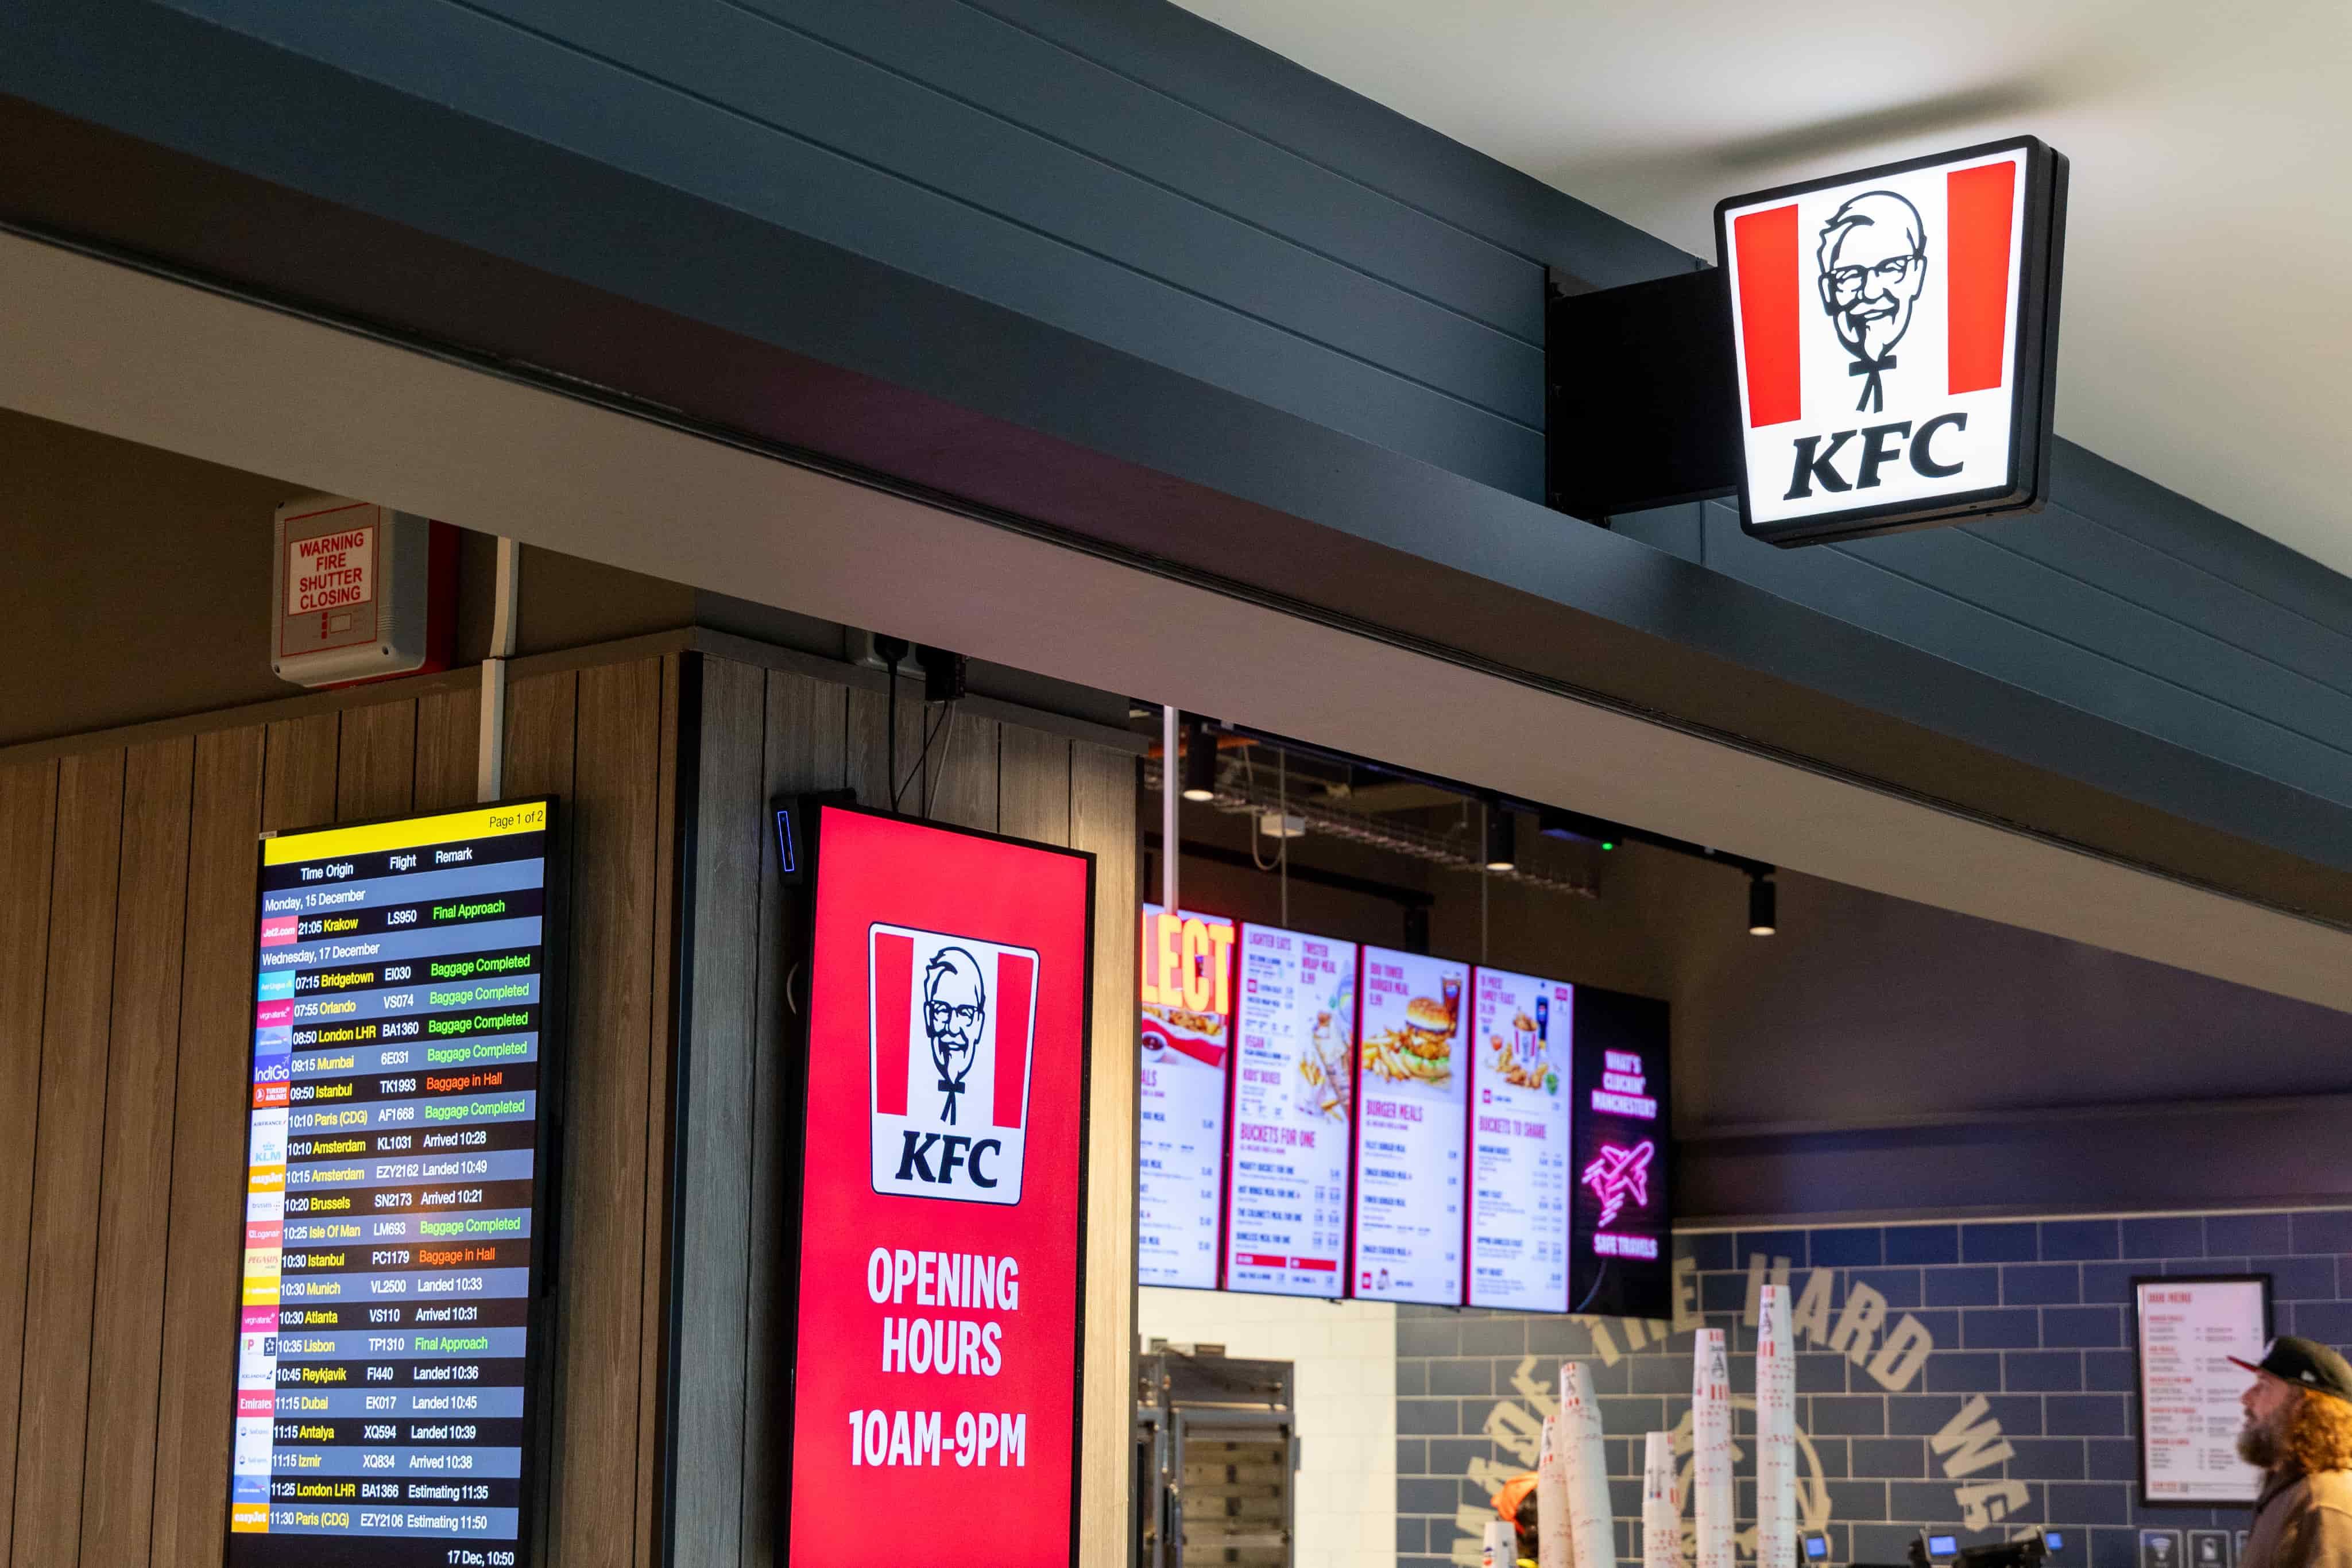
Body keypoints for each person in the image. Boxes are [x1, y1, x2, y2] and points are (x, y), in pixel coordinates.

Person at [2233, 1336, 2352, 1568]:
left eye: (2264, 1385)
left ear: (2304, 1405)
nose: (2246, 1398)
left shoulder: (2323, 1504)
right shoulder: (2291, 1487)